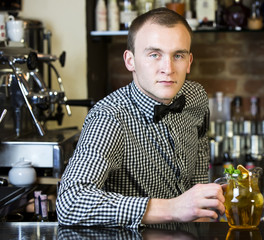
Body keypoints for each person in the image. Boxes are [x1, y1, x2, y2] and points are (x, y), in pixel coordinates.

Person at [56, 8, 225, 228]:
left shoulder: (195, 97)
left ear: (189, 61)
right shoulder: (110, 117)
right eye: (154, 54)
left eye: (178, 55)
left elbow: (201, 153)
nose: (168, 68)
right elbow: (70, 203)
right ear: (130, 61)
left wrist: (201, 207)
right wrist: (173, 208)